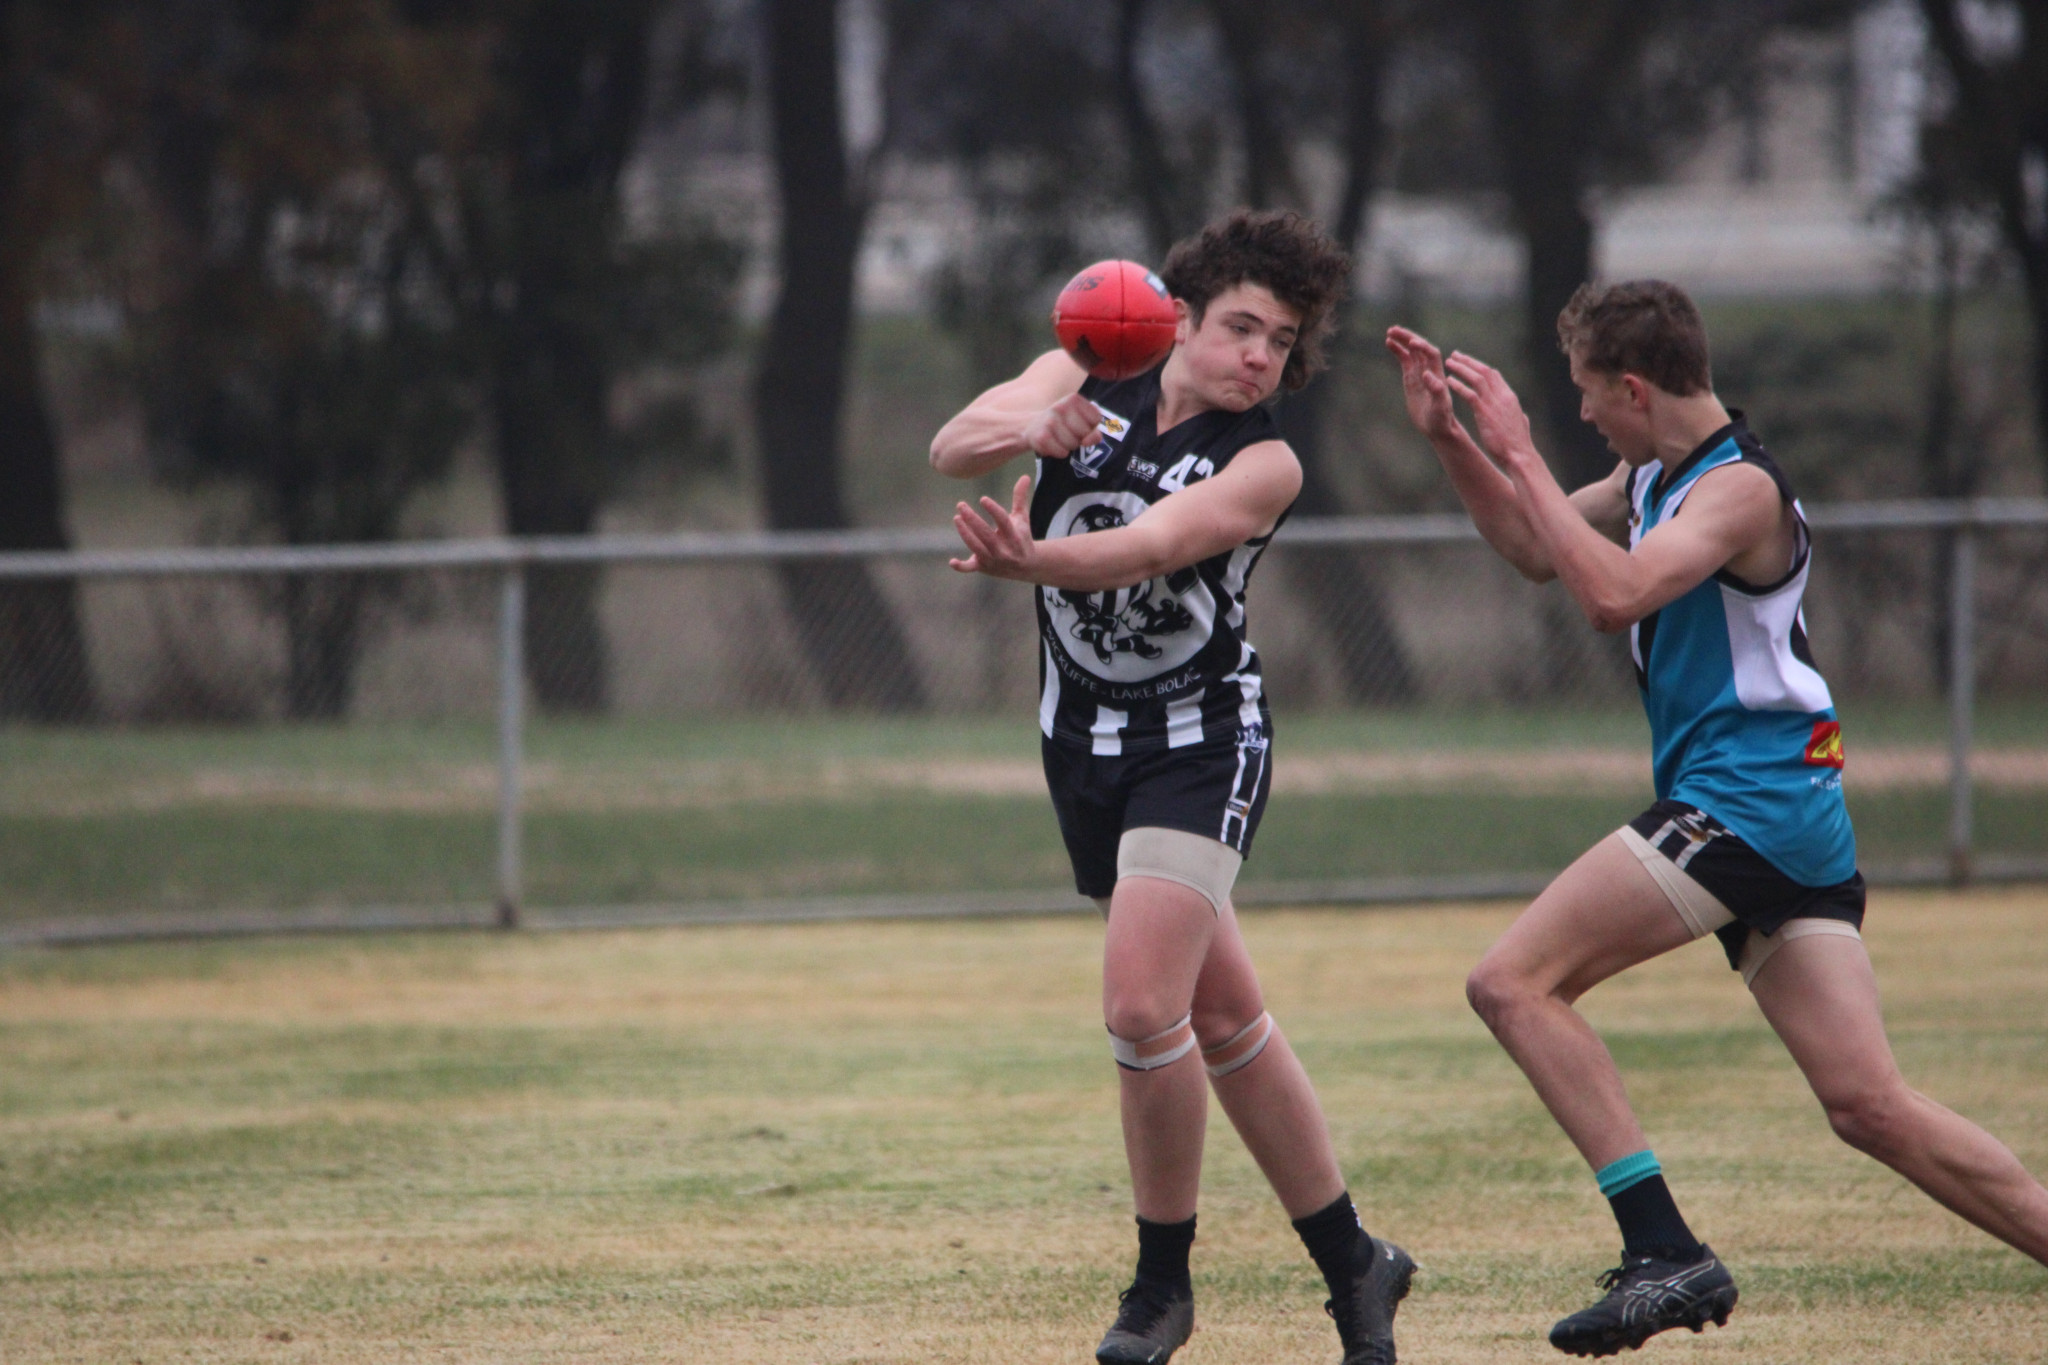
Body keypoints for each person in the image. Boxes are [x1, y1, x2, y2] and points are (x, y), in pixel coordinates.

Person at [1385, 280, 2048, 1357]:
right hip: (1785, 810)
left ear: (1637, 388)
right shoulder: (1653, 471)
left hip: (1746, 801)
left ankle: (1663, 1251)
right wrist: (1458, 442)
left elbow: (1612, 596)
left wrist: (1517, 444)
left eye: (1591, 396)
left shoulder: (1736, 492)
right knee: (1867, 1106)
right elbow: (1532, 547)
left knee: (1511, 983)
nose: (1584, 414)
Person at [931, 209, 1414, 1365]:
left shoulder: (1266, 458)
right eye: (1240, 326)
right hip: (1080, 739)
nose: (1260, 355)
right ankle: (1356, 1263)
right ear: (1179, 319)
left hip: (1199, 742)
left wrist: (1032, 559)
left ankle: (1159, 1289)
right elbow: (957, 443)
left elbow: (1153, 545)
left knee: (1143, 1007)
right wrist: (1030, 418)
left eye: (1281, 339)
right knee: (1224, 1018)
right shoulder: (1097, 362)